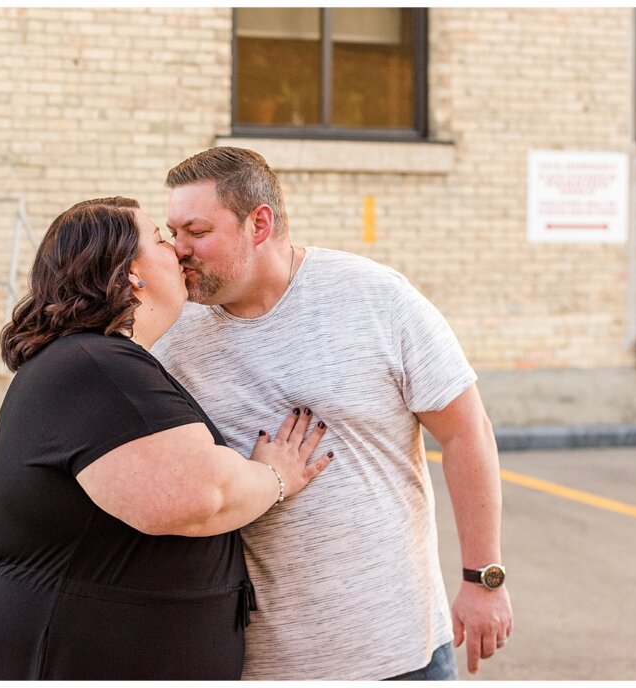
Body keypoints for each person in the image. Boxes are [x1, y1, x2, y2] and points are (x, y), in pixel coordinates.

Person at [151, 147, 514, 681]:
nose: (178, 250)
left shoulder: (376, 298)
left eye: (196, 231)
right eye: (171, 232)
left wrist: (483, 578)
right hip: (256, 661)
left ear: (259, 223)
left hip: (399, 650)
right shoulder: (170, 331)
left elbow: (467, 434)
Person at [0, 196, 333, 680]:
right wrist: (276, 475)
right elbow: (198, 497)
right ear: (132, 275)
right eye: (160, 239)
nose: (178, 250)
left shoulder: (91, 362)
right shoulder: (100, 368)